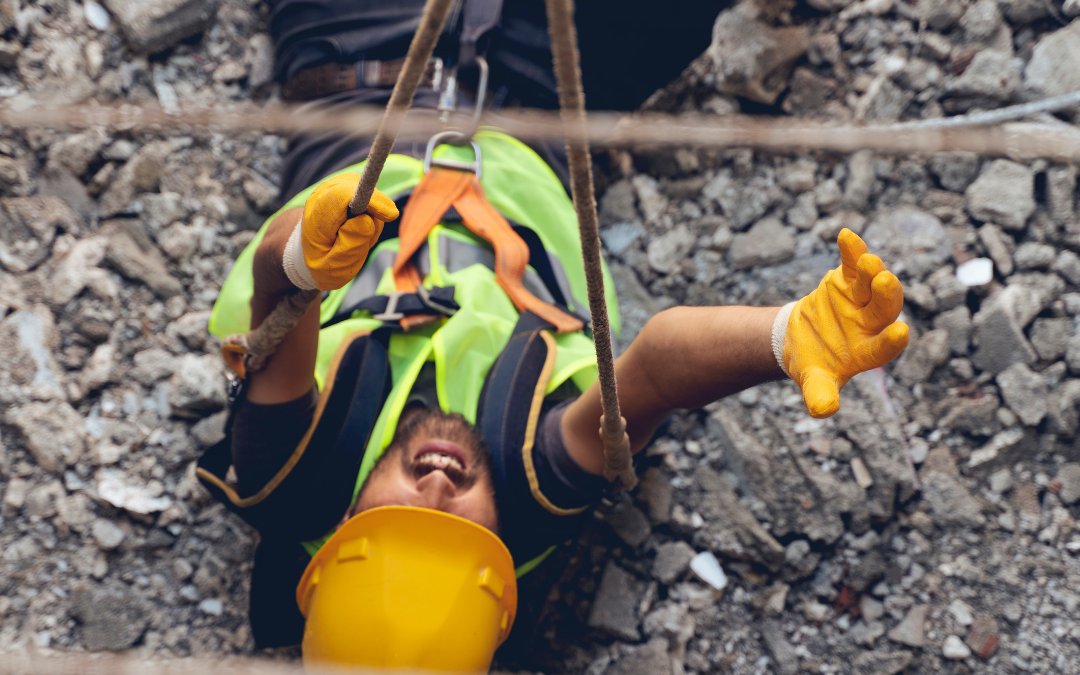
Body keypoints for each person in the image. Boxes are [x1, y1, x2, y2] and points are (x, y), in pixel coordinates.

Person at [195, 1, 910, 670]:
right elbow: (658, 369)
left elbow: (279, 282)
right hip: (543, 106)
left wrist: (304, 252)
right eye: (460, 530)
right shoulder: (530, 490)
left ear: (344, 524)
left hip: (357, 61)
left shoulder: (294, 477)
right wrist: (787, 336)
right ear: (499, 550)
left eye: (406, 519)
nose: (439, 487)